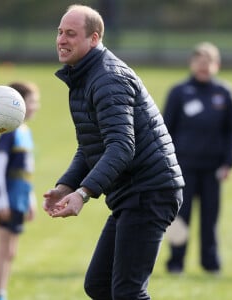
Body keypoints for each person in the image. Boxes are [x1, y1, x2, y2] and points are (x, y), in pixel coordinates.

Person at [43, 4, 184, 300]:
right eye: (59, 32)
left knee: (128, 292)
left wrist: (83, 194)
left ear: (94, 39)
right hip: (133, 193)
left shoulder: (108, 78)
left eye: (71, 34)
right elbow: (91, 145)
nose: (61, 40)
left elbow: (122, 146)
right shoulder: (84, 76)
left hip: (150, 191)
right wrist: (65, 185)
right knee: (99, 285)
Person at [163, 42, 232, 274]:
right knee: (180, 216)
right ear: (192, 63)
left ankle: (210, 263)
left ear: (217, 65)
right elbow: (165, 129)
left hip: (212, 167)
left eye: (209, 63)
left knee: (210, 218)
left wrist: (228, 162)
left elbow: (231, 131)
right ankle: (176, 263)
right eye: (200, 62)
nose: (204, 67)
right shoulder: (179, 92)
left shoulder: (223, 93)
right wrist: (167, 163)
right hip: (183, 166)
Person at [0, 81, 40, 300]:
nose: (35, 106)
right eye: (32, 102)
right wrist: (1, 203)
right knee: (3, 250)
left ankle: (3, 293)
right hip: (8, 199)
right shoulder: (9, 134)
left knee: (11, 252)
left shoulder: (25, 132)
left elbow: (25, 172)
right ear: (17, 104)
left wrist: (30, 200)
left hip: (20, 198)